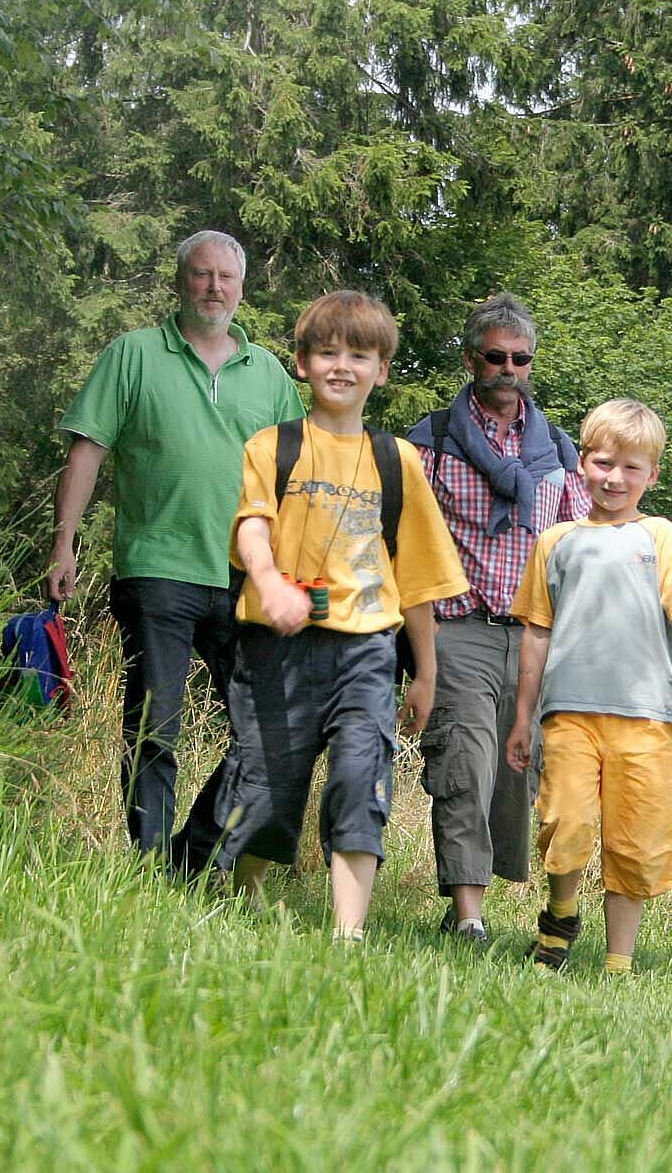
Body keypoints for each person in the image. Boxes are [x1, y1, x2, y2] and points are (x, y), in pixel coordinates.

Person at [203, 290, 468, 940]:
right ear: (302, 363)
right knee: (267, 786)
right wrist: (269, 583)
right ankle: (247, 900)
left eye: (360, 354)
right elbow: (251, 530)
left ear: (382, 369)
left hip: (367, 651)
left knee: (360, 777)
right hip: (278, 645)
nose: (341, 365)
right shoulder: (273, 447)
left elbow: (419, 580)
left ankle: (348, 935)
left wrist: (426, 674)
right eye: (327, 352)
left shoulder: (397, 460)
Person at [49, 230, 304, 868]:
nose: (213, 287)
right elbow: (87, 452)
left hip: (248, 577)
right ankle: (149, 862)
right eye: (201, 275)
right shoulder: (132, 355)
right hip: (157, 568)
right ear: (180, 281)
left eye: (225, 277)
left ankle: (194, 856)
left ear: (243, 288)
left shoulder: (269, 373)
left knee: (266, 727)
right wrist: (64, 544)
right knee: (155, 728)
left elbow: (298, 476)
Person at [507, 399, 672, 974]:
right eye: (604, 463)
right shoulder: (556, 541)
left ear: (652, 475)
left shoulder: (663, 538)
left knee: (636, 838)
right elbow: (536, 635)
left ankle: (619, 960)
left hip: (648, 715)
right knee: (565, 819)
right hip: (568, 713)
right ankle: (560, 916)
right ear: (582, 462)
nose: (616, 478)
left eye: (632, 467)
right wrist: (521, 718)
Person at [406, 294, 590, 945]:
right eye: (495, 356)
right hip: (458, 626)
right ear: (470, 359)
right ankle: (468, 917)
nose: (508, 367)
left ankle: (489, 893)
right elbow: (401, 541)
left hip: (535, 634)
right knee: (465, 758)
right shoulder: (430, 442)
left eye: (521, 357)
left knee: (520, 771)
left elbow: (584, 542)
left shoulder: (559, 452)